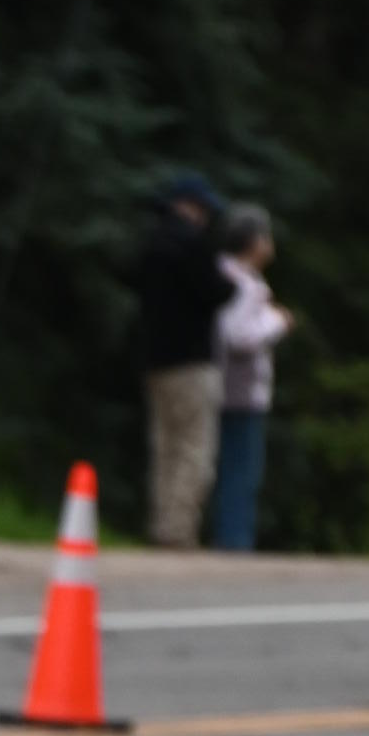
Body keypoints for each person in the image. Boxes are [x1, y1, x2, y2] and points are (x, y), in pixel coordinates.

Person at [132, 171, 231, 554]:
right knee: (194, 448)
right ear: (190, 207)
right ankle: (179, 530)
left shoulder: (151, 244)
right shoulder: (193, 245)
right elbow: (215, 291)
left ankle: (160, 523)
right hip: (192, 361)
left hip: (156, 360)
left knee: (164, 447)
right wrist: (230, 284)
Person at [208, 207, 295, 554]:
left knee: (233, 466)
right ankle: (234, 541)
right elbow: (239, 335)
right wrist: (277, 322)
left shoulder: (224, 274)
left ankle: (232, 537)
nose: (270, 244)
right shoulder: (243, 284)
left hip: (224, 385)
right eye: (266, 236)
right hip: (240, 390)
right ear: (253, 242)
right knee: (241, 469)